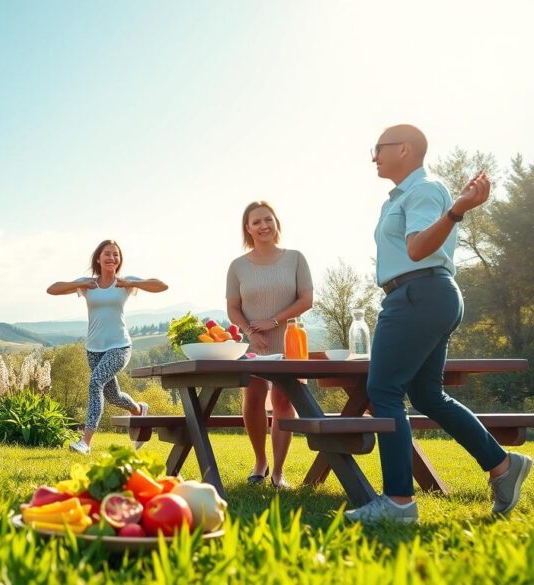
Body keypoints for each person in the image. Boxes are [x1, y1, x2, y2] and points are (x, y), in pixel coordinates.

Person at [345, 124, 532, 523]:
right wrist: (455, 210)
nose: (373, 156)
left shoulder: (424, 190)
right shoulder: (402, 197)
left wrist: (456, 210)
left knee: (384, 390)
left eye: (377, 148)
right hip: (427, 295)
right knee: (427, 396)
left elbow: (417, 249)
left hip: (418, 294)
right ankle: (502, 465)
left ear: (404, 149)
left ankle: (398, 502)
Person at [47, 240, 168, 454]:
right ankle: (139, 410)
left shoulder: (124, 283)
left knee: (95, 382)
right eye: (107, 254)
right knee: (113, 396)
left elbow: (161, 285)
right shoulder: (88, 285)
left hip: (120, 346)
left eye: (116, 255)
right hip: (93, 349)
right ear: (98, 258)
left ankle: (85, 442)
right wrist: (81, 283)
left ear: (119, 260)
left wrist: (132, 284)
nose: (112, 258)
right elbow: (52, 290)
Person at [226, 201, 313, 488]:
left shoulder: (296, 258)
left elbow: (306, 300)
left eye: (268, 220)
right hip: (254, 343)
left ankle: (278, 471)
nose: (264, 226)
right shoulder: (237, 266)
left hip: (289, 339)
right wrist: (250, 331)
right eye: (256, 222)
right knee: (253, 398)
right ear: (247, 228)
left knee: (282, 400)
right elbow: (233, 308)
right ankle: (260, 461)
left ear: (276, 223)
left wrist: (274, 321)